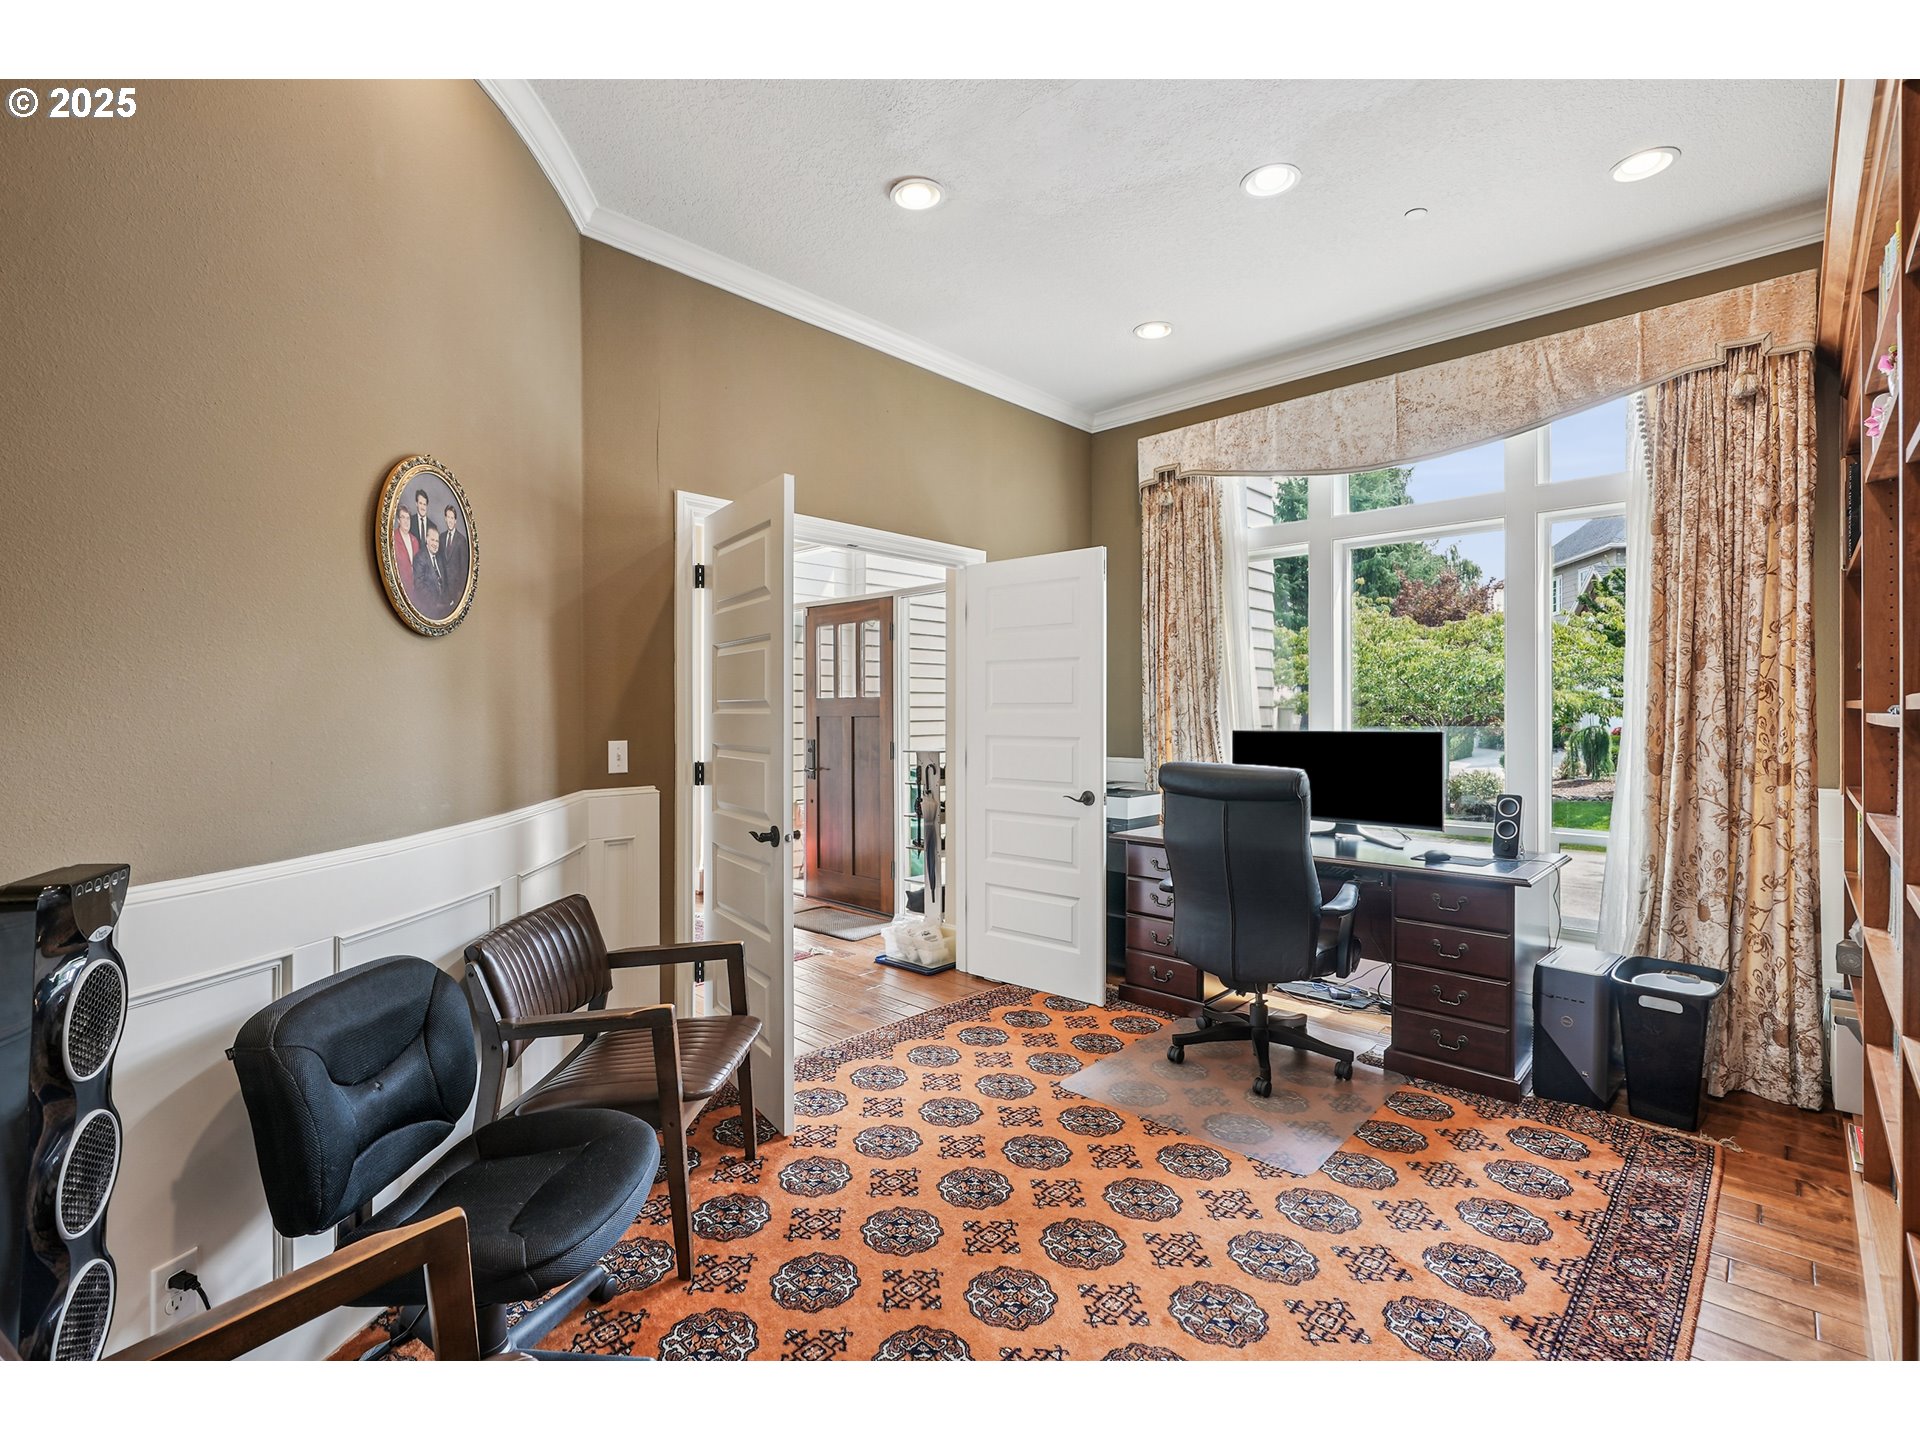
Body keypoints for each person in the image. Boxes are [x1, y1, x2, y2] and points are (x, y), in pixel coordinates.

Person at [413, 522, 451, 616]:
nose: (435, 544)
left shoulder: (439, 558)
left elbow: (445, 582)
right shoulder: (419, 558)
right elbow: (419, 586)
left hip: (443, 607)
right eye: (432, 540)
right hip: (428, 609)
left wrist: (446, 602)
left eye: (437, 541)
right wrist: (436, 604)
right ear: (427, 540)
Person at [440, 503, 469, 596]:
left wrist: (460, 592)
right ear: (445, 518)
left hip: (456, 590)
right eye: (448, 517)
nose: (450, 521)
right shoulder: (441, 537)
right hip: (443, 588)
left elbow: (463, 569)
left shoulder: (461, 540)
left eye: (452, 518)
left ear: (455, 520)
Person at [392, 508, 419, 601]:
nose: (406, 521)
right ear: (398, 520)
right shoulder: (393, 539)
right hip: (400, 590)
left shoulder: (414, 540)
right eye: (403, 517)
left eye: (408, 518)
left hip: (415, 590)